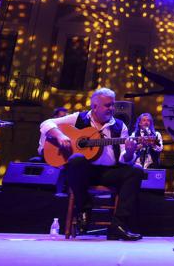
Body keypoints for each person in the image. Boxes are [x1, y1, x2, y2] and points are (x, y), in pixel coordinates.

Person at [40, 88, 143, 241]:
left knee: (135, 171)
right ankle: (84, 207)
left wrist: (129, 152)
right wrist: (60, 135)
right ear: (94, 106)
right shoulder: (78, 118)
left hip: (109, 172)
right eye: (108, 105)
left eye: (112, 105)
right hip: (83, 173)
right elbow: (46, 124)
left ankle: (118, 225)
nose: (112, 109)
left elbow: (123, 158)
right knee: (76, 160)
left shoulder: (120, 126)